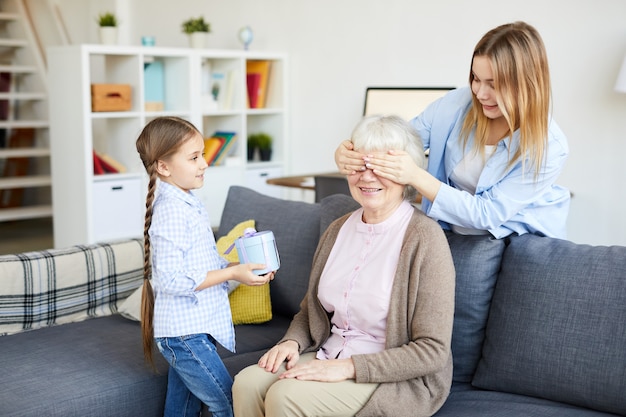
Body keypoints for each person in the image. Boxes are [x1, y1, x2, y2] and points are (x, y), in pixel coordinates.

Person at [232, 115, 456, 417]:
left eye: (381, 168)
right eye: (360, 166)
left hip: (389, 374)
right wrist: (292, 342)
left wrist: (349, 368)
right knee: (246, 383)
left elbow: (432, 351)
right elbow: (311, 312)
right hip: (329, 353)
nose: (367, 177)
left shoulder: (425, 239)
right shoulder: (338, 229)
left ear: (406, 174)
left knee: (286, 396)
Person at [335, 21, 570, 239]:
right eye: (476, 79)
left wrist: (416, 176)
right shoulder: (455, 105)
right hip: (452, 227)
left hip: (519, 238)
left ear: (527, 84)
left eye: (494, 84)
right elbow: (401, 141)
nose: (480, 93)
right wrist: (349, 152)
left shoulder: (550, 147)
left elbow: (486, 214)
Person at [135, 116, 275, 417]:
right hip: (185, 335)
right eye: (194, 157)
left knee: (182, 409)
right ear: (163, 166)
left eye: (203, 155)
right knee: (229, 403)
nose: (204, 164)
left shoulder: (188, 201)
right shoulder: (172, 211)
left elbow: (202, 265)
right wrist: (232, 272)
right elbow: (171, 280)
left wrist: (240, 268)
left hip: (192, 330)